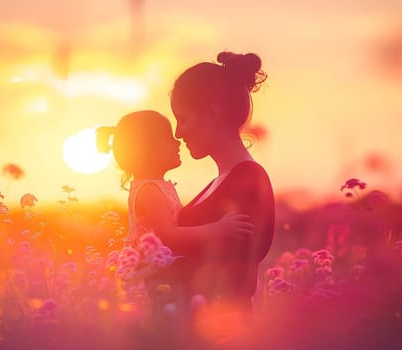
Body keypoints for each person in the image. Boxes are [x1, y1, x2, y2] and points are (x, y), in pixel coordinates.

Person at [166, 51, 275, 331]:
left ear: (213, 114)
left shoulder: (248, 179)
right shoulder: (223, 180)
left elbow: (234, 270)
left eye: (183, 119)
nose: (178, 133)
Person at [96, 111, 254, 299]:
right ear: (149, 149)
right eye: (169, 138)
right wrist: (218, 229)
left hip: (161, 272)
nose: (177, 142)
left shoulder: (154, 186)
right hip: (156, 276)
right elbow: (169, 235)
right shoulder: (150, 192)